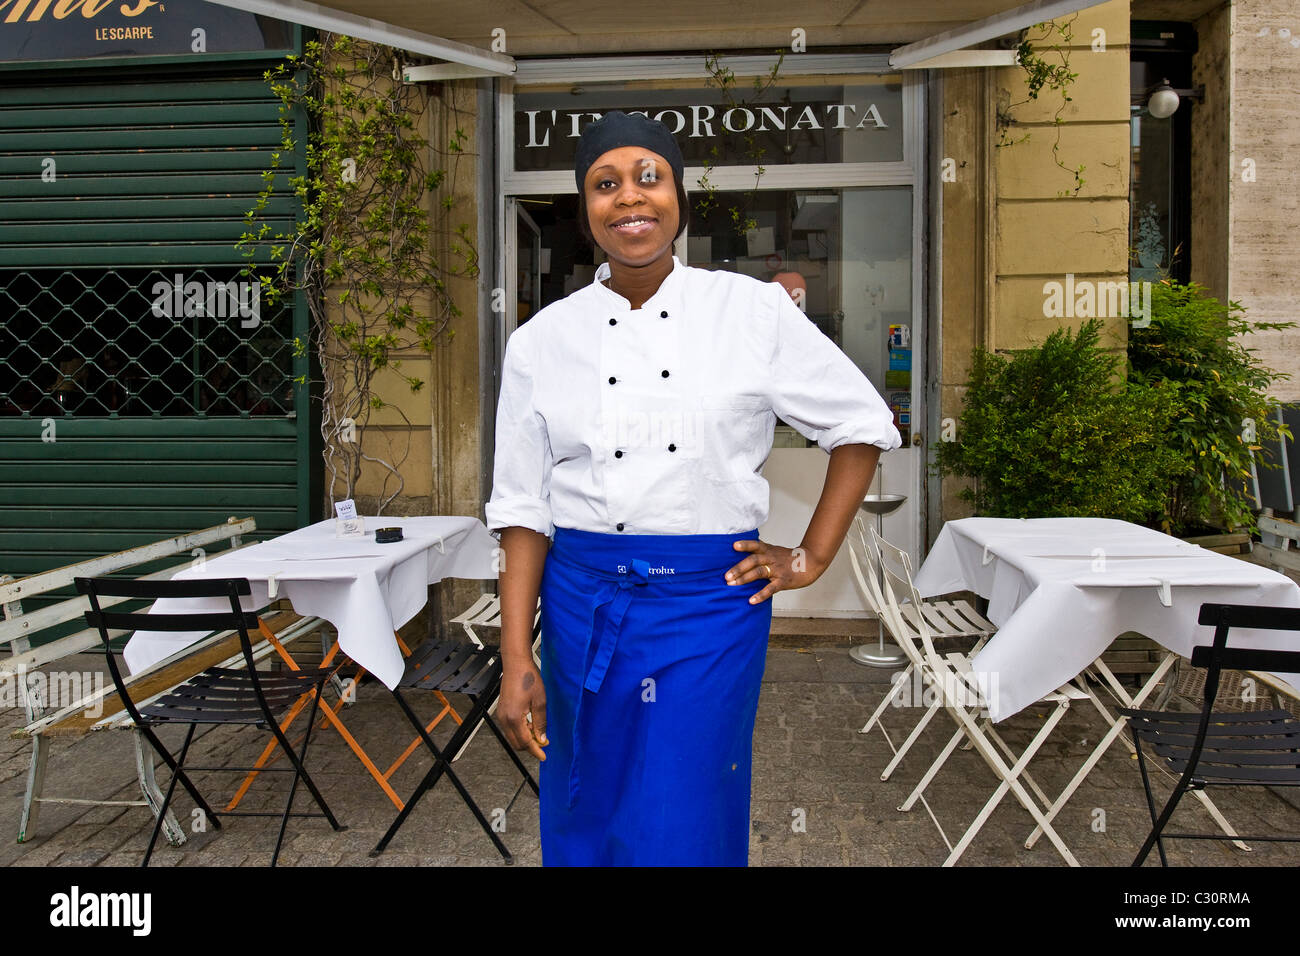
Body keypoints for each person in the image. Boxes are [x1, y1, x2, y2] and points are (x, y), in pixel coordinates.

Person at [485, 110, 902, 866]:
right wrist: (518, 659)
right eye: (605, 183)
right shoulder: (542, 340)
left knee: (685, 809)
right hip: (581, 599)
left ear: (678, 196)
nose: (630, 198)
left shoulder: (749, 311)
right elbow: (522, 509)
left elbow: (862, 425)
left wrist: (809, 559)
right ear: (587, 208)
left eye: (650, 176)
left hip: (709, 605)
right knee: (587, 797)